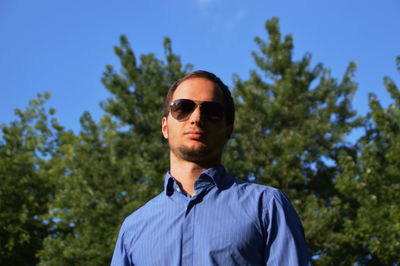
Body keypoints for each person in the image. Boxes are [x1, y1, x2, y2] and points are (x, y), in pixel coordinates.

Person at [111, 70, 311, 265]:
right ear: (165, 126)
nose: (196, 118)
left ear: (228, 130)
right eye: (182, 107)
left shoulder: (266, 207)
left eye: (212, 112)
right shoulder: (133, 229)